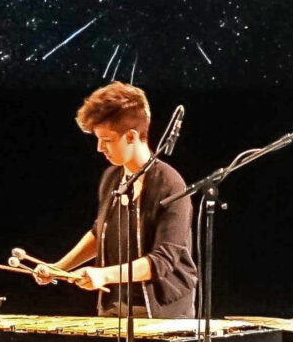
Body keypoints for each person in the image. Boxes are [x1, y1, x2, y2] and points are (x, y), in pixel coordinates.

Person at [32, 81, 197, 319]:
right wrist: (58, 268)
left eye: (107, 140)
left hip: (163, 313)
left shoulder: (170, 184)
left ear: (131, 136)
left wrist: (105, 275)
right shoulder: (112, 178)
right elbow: (100, 232)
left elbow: (162, 260)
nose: (99, 148)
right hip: (115, 307)